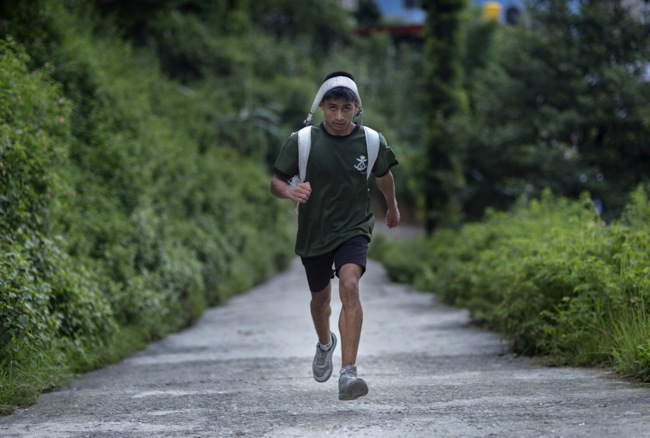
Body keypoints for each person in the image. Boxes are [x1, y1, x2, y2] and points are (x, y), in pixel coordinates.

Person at [270, 71, 400, 401]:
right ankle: (325, 343)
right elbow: (276, 181)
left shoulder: (371, 141)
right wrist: (291, 192)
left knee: (350, 285)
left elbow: (383, 176)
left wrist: (392, 206)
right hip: (315, 231)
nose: (339, 116)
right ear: (322, 108)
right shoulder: (302, 141)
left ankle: (348, 373)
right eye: (332, 108)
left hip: (354, 226)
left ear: (357, 108)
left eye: (346, 108)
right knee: (320, 302)